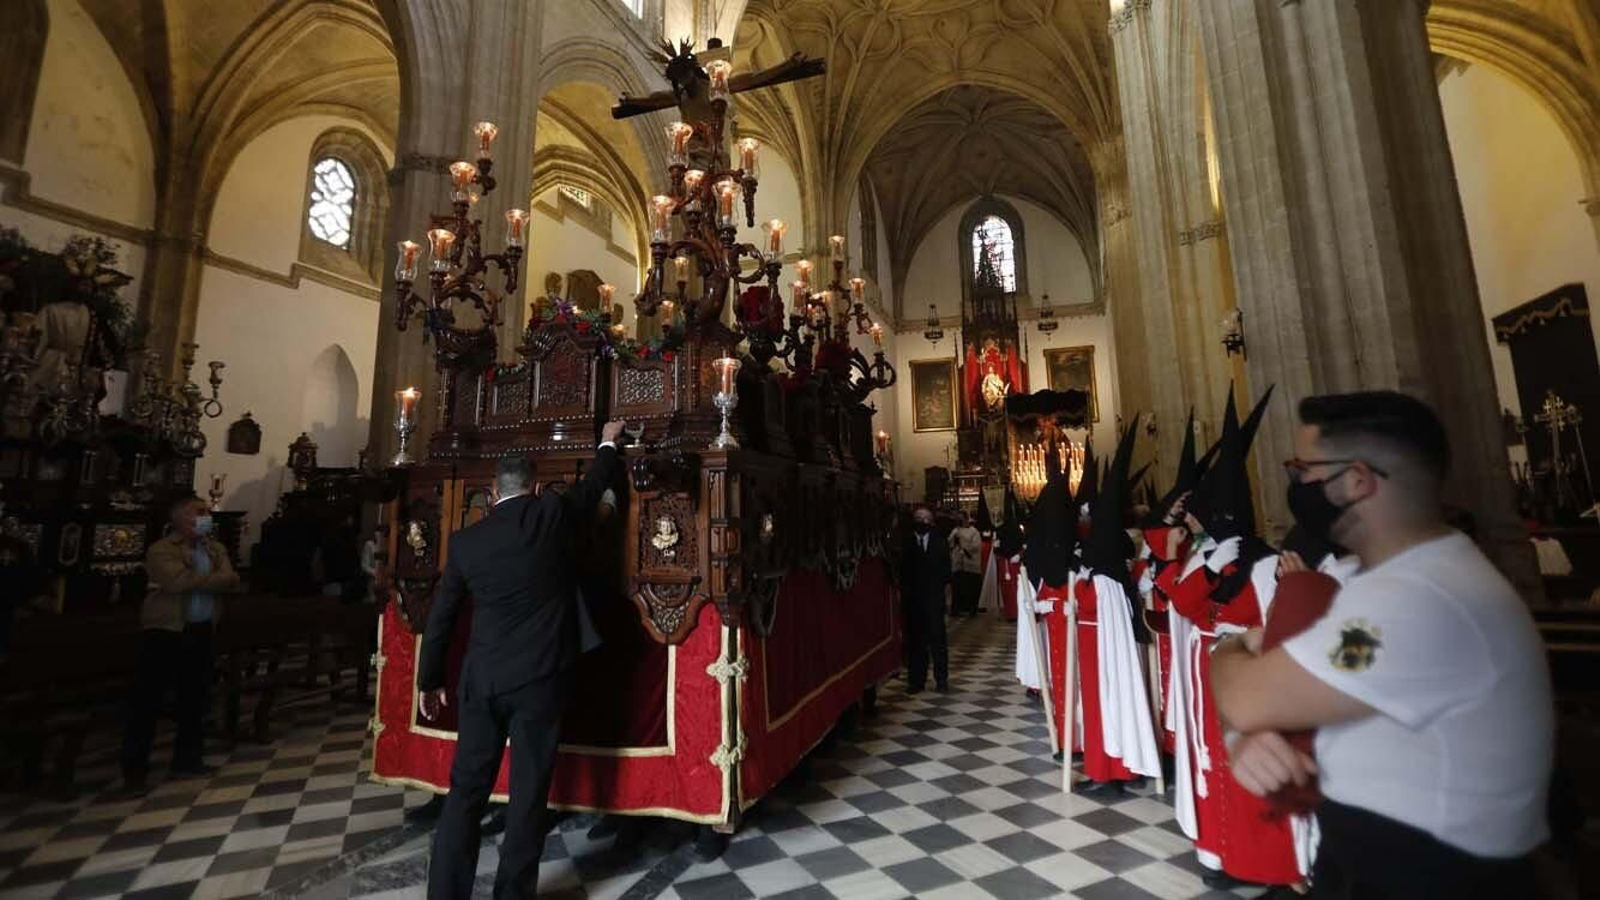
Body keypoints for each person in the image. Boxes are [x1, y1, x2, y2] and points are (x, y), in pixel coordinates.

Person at [1211, 391, 1554, 899]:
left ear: (1355, 480)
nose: (1295, 484)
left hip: (1429, 877)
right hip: (1382, 859)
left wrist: (1230, 647)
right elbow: (1265, 708)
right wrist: (1243, 736)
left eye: (1301, 470)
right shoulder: (1401, 580)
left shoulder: (1415, 600)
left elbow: (1245, 697)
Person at [419, 422, 625, 900]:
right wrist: (609, 442)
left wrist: (429, 681)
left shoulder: (466, 542)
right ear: (534, 487)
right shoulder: (550, 512)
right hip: (539, 679)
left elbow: (441, 620)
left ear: (493, 492)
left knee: (465, 793)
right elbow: (594, 486)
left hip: (483, 680)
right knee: (528, 795)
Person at [120, 495, 241, 796]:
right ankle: (135, 769)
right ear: (180, 519)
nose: (206, 516)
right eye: (199, 512)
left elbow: (233, 580)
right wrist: (216, 579)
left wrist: (208, 579)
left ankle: (187, 759)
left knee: (194, 698)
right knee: (147, 702)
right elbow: (177, 583)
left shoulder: (214, 548)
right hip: (165, 632)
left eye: (207, 512)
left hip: (200, 631)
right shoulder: (161, 550)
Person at [1071, 414, 1160, 795]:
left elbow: (1086, 603)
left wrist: (1079, 583)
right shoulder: (1109, 572)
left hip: (1100, 653)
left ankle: (1110, 769)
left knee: (1104, 706)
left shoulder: (1103, 578)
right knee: (1103, 706)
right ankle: (1108, 766)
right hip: (1101, 650)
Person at [901, 505, 952, 693]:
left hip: (934, 599)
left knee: (938, 641)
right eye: (919, 518)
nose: (922, 522)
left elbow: (946, 572)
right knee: (916, 642)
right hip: (913, 601)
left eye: (926, 519)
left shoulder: (940, 542)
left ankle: (941, 680)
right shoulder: (907, 542)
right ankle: (916, 681)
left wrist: (945, 598)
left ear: (931, 522)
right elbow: (902, 572)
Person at [948, 511, 983, 617]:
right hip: (958, 564)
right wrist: (954, 539)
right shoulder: (955, 530)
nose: (960, 521)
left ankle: (972, 609)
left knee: (971, 588)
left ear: (966, 519)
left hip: (970, 564)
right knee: (957, 588)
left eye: (961, 519)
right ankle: (957, 609)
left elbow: (976, 546)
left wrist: (965, 548)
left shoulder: (974, 531)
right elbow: (949, 542)